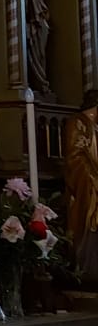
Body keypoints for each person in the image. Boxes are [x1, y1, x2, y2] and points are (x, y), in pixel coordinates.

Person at [66, 89, 98, 284]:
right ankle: (86, 270)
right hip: (87, 188)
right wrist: (94, 179)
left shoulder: (94, 126)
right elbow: (75, 157)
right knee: (87, 224)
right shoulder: (77, 123)